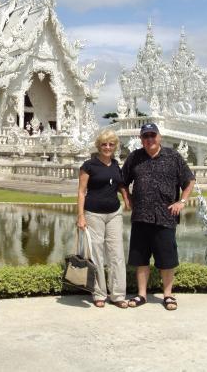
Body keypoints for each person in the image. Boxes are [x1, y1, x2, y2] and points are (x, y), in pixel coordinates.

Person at [122, 123, 195, 310]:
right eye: (145, 136)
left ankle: (168, 295)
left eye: (152, 135)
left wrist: (182, 202)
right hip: (141, 215)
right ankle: (141, 295)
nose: (149, 139)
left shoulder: (173, 157)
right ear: (141, 139)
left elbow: (189, 180)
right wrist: (127, 197)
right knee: (141, 259)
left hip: (165, 216)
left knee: (166, 259)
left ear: (159, 137)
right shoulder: (135, 157)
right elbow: (122, 181)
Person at [77, 129, 130, 309]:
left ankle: (117, 294)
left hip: (114, 213)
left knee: (117, 254)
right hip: (93, 213)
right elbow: (81, 191)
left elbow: (120, 185)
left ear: (115, 146)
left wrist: (127, 199)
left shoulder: (116, 165)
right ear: (98, 146)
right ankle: (99, 293)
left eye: (111, 144)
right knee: (97, 254)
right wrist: (81, 216)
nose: (108, 147)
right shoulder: (89, 165)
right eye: (104, 144)